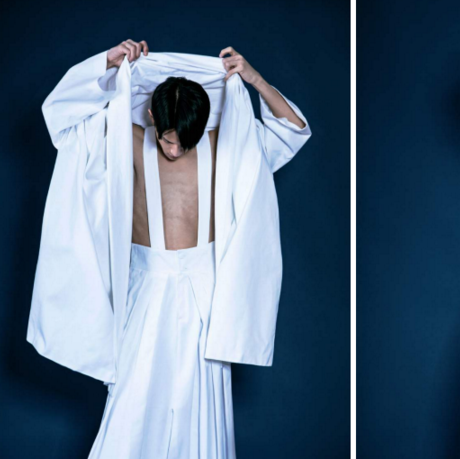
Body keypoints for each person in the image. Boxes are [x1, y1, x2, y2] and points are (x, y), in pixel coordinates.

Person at [27, 39, 311, 458]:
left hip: (206, 293)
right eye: (168, 140)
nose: (175, 150)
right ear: (151, 118)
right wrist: (107, 62)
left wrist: (254, 79)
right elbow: (61, 116)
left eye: (185, 142)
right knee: (133, 408)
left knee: (202, 409)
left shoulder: (226, 144)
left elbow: (292, 129)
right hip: (145, 288)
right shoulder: (123, 138)